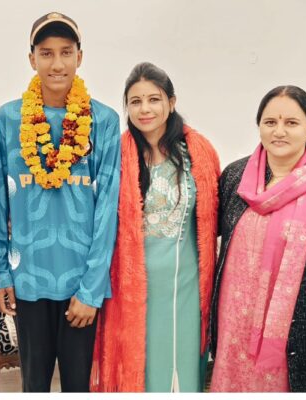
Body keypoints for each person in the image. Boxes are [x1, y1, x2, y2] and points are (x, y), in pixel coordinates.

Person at [0, 12, 121, 392]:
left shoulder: (103, 120)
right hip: (27, 279)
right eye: (46, 53)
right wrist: (2, 272)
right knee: (33, 384)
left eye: (66, 52)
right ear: (32, 59)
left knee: (79, 385)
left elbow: (107, 208)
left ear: (80, 56)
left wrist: (92, 289)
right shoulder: (9, 118)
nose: (57, 63)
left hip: (80, 282)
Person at [90, 62, 220, 392]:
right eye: (135, 101)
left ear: (171, 103)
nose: (145, 109)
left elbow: (211, 219)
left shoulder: (198, 152)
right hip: (133, 289)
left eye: (154, 99)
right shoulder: (117, 154)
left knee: (185, 371)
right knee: (141, 373)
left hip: (187, 285)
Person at [210, 86, 306, 392]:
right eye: (270, 122)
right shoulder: (235, 177)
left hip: (295, 337)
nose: (279, 131)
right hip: (233, 330)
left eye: (291, 123)